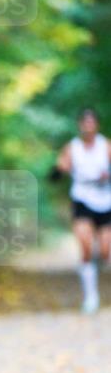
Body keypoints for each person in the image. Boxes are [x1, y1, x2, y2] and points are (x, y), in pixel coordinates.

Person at [54, 108, 111, 313]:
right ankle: (91, 297)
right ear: (80, 125)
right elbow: (57, 172)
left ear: (97, 125)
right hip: (81, 199)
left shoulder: (106, 146)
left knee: (105, 251)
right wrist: (60, 169)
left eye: (91, 122)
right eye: (85, 122)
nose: (88, 126)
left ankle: (100, 262)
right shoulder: (72, 148)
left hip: (105, 201)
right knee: (85, 247)